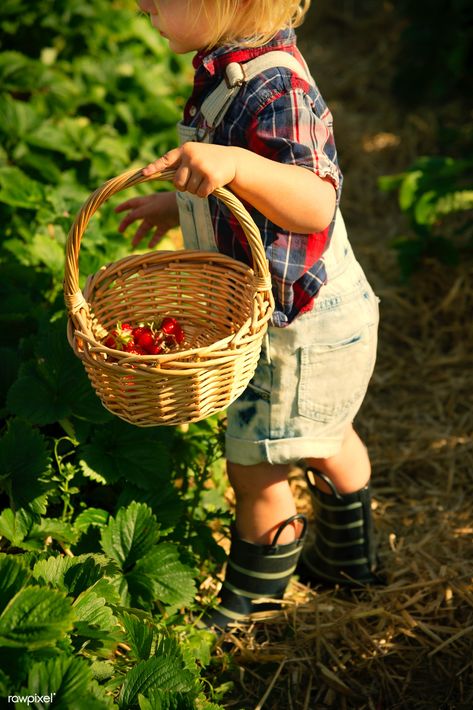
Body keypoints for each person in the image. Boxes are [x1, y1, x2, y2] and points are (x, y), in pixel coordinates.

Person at [115, 0, 381, 630]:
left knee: (256, 464)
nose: (141, 2)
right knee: (327, 433)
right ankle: (352, 564)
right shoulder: (227, 63)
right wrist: (179, 202)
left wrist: (237, 164)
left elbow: (315, 202)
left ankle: (251, 608)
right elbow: (241, 185)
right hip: (310, 313)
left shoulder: (278, 85)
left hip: (297, 324)